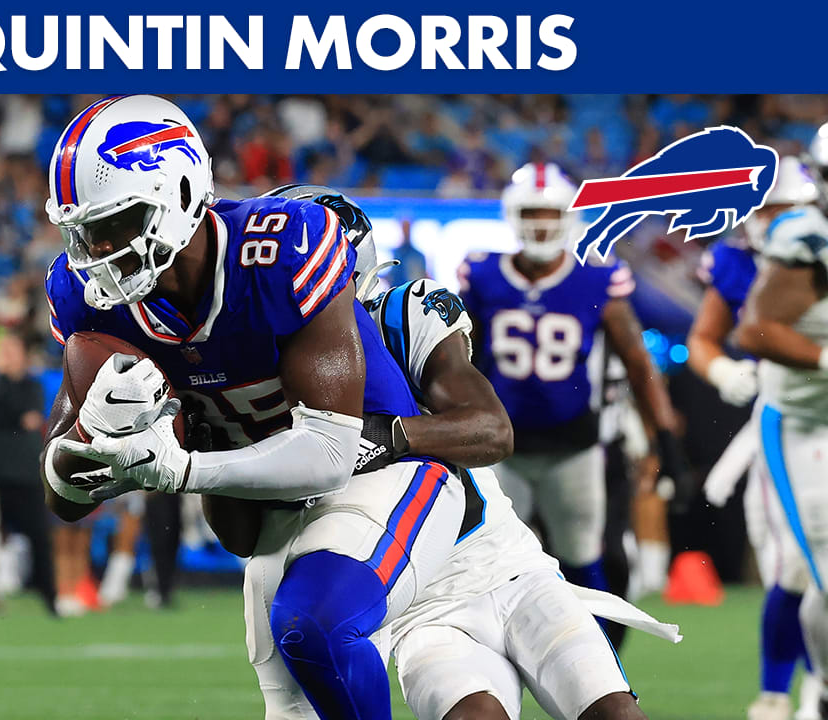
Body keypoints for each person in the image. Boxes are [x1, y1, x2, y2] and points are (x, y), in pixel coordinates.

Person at [39, 95, 469, 719]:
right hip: (266, 509)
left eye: (117, 224)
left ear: (181, 191)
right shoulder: (90, 303)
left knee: (313, 625)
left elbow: (328, 453)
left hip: (376, 475)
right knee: (294, 711)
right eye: (84, 232)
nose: (98, 252)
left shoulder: (281, 246)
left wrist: (175, 470)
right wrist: (88, 439)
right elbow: (63, 498)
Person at [283, 184, 673, 720]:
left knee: (613, 713)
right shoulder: (251, 372)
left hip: (507, 564)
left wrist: (389, 435)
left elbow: (491, 431)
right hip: (422, 604)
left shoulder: (401, 318)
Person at [457, 162, 689, 599]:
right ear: (512, 215)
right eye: (530, 212)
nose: (540, 224)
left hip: (574, 445)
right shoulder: (482, 276)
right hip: (500, 445)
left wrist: (666, 441)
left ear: (568, 216)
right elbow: (457, 362)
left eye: (548, 213)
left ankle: (599, 661)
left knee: (583, 559)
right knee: (494, 564)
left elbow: (639, 364)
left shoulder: (597, 279)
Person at [688, 157, 822, 720]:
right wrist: (723, 371)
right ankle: (777, 694)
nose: (773, 218)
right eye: (765, 207)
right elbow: (707, 337)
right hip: (790, 419)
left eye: (784, 207)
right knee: (795, 563)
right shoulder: (742, 261)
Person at [735, 157, 828, 720]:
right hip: (804, 423)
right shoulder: (804, 238)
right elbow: (754, 328)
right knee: (813, 568)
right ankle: (798, 693)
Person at [0, 333, 56, 615]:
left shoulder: (33, 386)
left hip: (25, 475)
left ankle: (49, 598)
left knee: (39, 539)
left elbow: (30, 414)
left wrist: (11, 412)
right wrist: (2, 383)